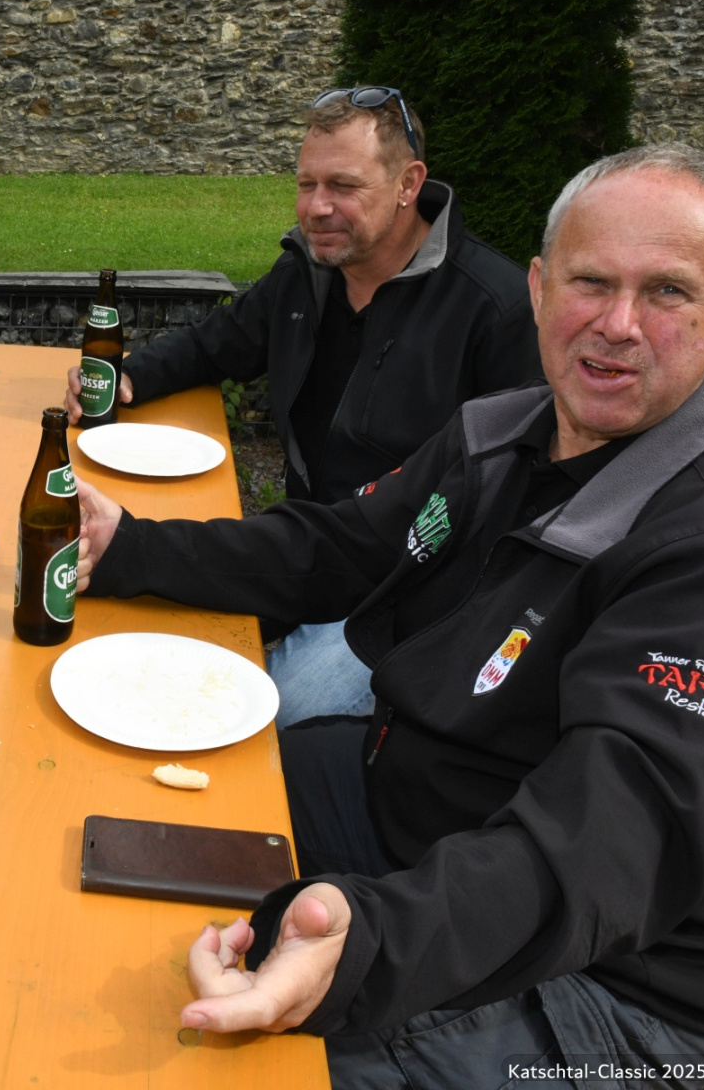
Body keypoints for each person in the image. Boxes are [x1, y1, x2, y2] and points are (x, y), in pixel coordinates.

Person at [76, 144, 704, 1087]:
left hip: (615, 988)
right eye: (592, 282)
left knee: (200, 1062)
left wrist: (369, 946)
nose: (618, 325)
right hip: (419, 812)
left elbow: (605, 848)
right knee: (126, 816)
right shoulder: (505, 430)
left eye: (668, 294)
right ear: (539, 288)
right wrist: (127, 549)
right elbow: (339, 550)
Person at [67, 87, 540, 725]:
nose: (317, 207)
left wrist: (143, 547)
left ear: (409, 184)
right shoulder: (310, 273)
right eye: (306, 184)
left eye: (343, 186)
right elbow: (218, 342)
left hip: (404, 590)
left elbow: (501, 518)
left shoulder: (495, 312)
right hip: (301, 550)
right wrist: (126, 376)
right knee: (132, 639)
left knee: (266, 715)